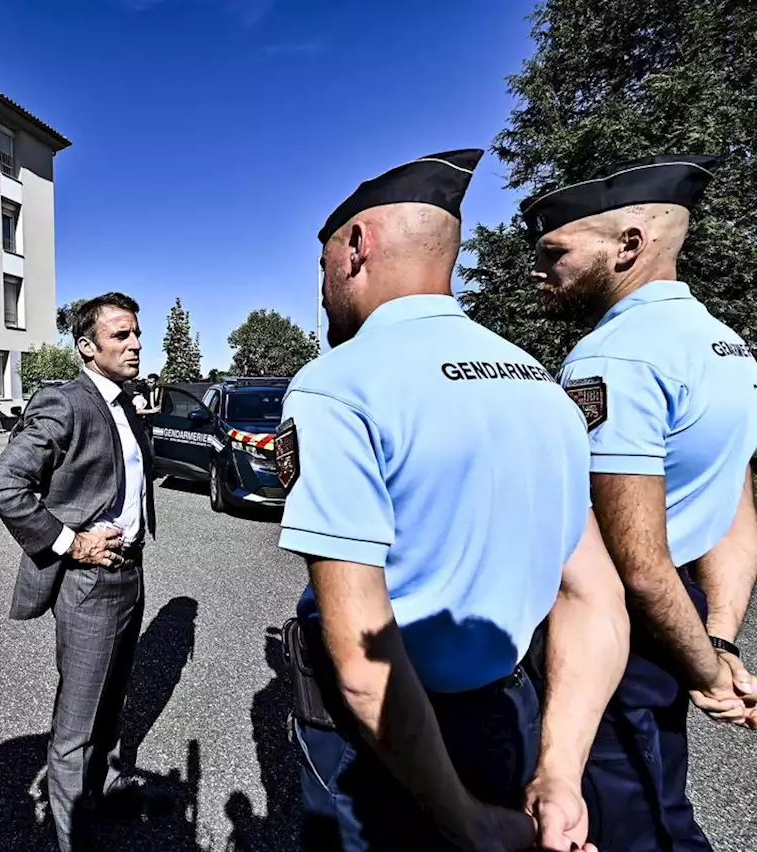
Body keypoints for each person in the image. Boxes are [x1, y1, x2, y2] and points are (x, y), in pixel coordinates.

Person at [279, 150, 628, 852]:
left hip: (386, 744)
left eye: (321, 271)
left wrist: (462, 821)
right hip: (509, 716)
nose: (321, 295)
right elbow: (593, 594)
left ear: (356, 247)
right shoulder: (540, 386)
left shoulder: (338, 384)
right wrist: (560, 773)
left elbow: (361, 655)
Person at [524, 153, 757, 851]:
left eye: (553, 252)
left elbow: (637, 564)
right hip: (674, 623)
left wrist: (709, 673)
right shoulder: (725, 347)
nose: (538, 271)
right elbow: (733, 501)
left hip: (619, 634)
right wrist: (715, 636)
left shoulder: (616, 357)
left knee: (622, 820)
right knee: (660, 796)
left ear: (629, 245)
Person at [0, 292, 157, 852]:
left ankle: (104, 788)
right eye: (120, 337)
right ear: (87, 347)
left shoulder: (126, 402)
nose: (134, 345)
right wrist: (69, 542)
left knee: (113, 700)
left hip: (130, 571)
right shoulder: (65, 402)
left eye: (136, 333)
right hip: (89, 582)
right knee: (76, 728)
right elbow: (2, 486)